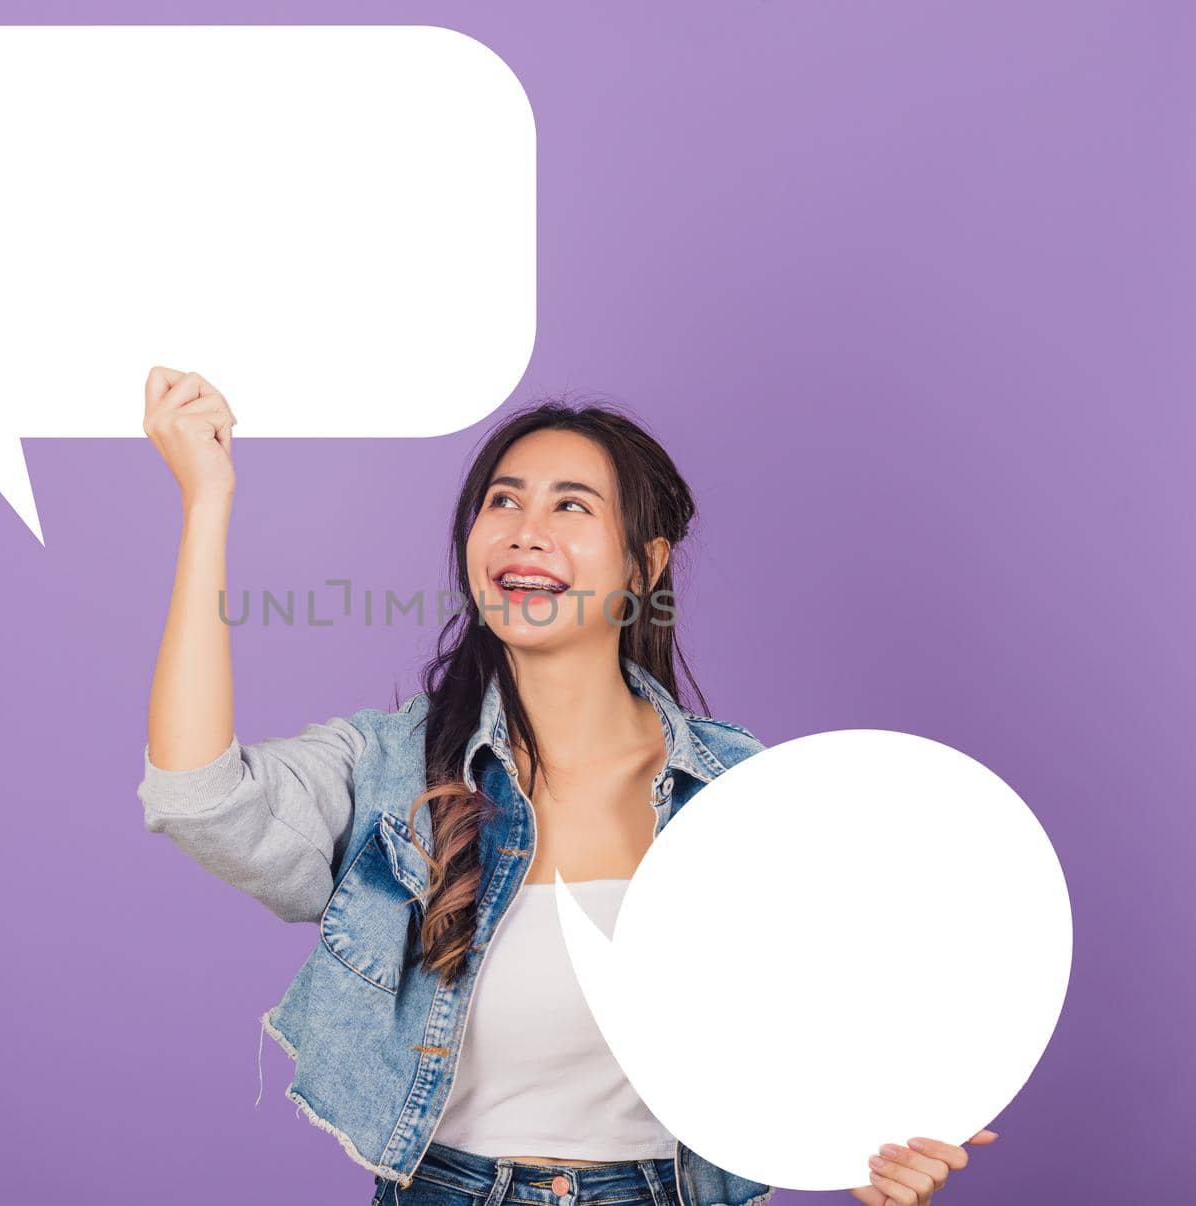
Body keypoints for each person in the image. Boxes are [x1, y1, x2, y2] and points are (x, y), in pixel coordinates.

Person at [136, 367, 998, 1206]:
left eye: (571, 506)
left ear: (644, 565)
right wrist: (206, 502)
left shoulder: (741, 793)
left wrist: (866, 1153)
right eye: (503, 501)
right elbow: (197, 793)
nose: (524, 530)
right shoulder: (392, 766)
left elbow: (826, 1033)